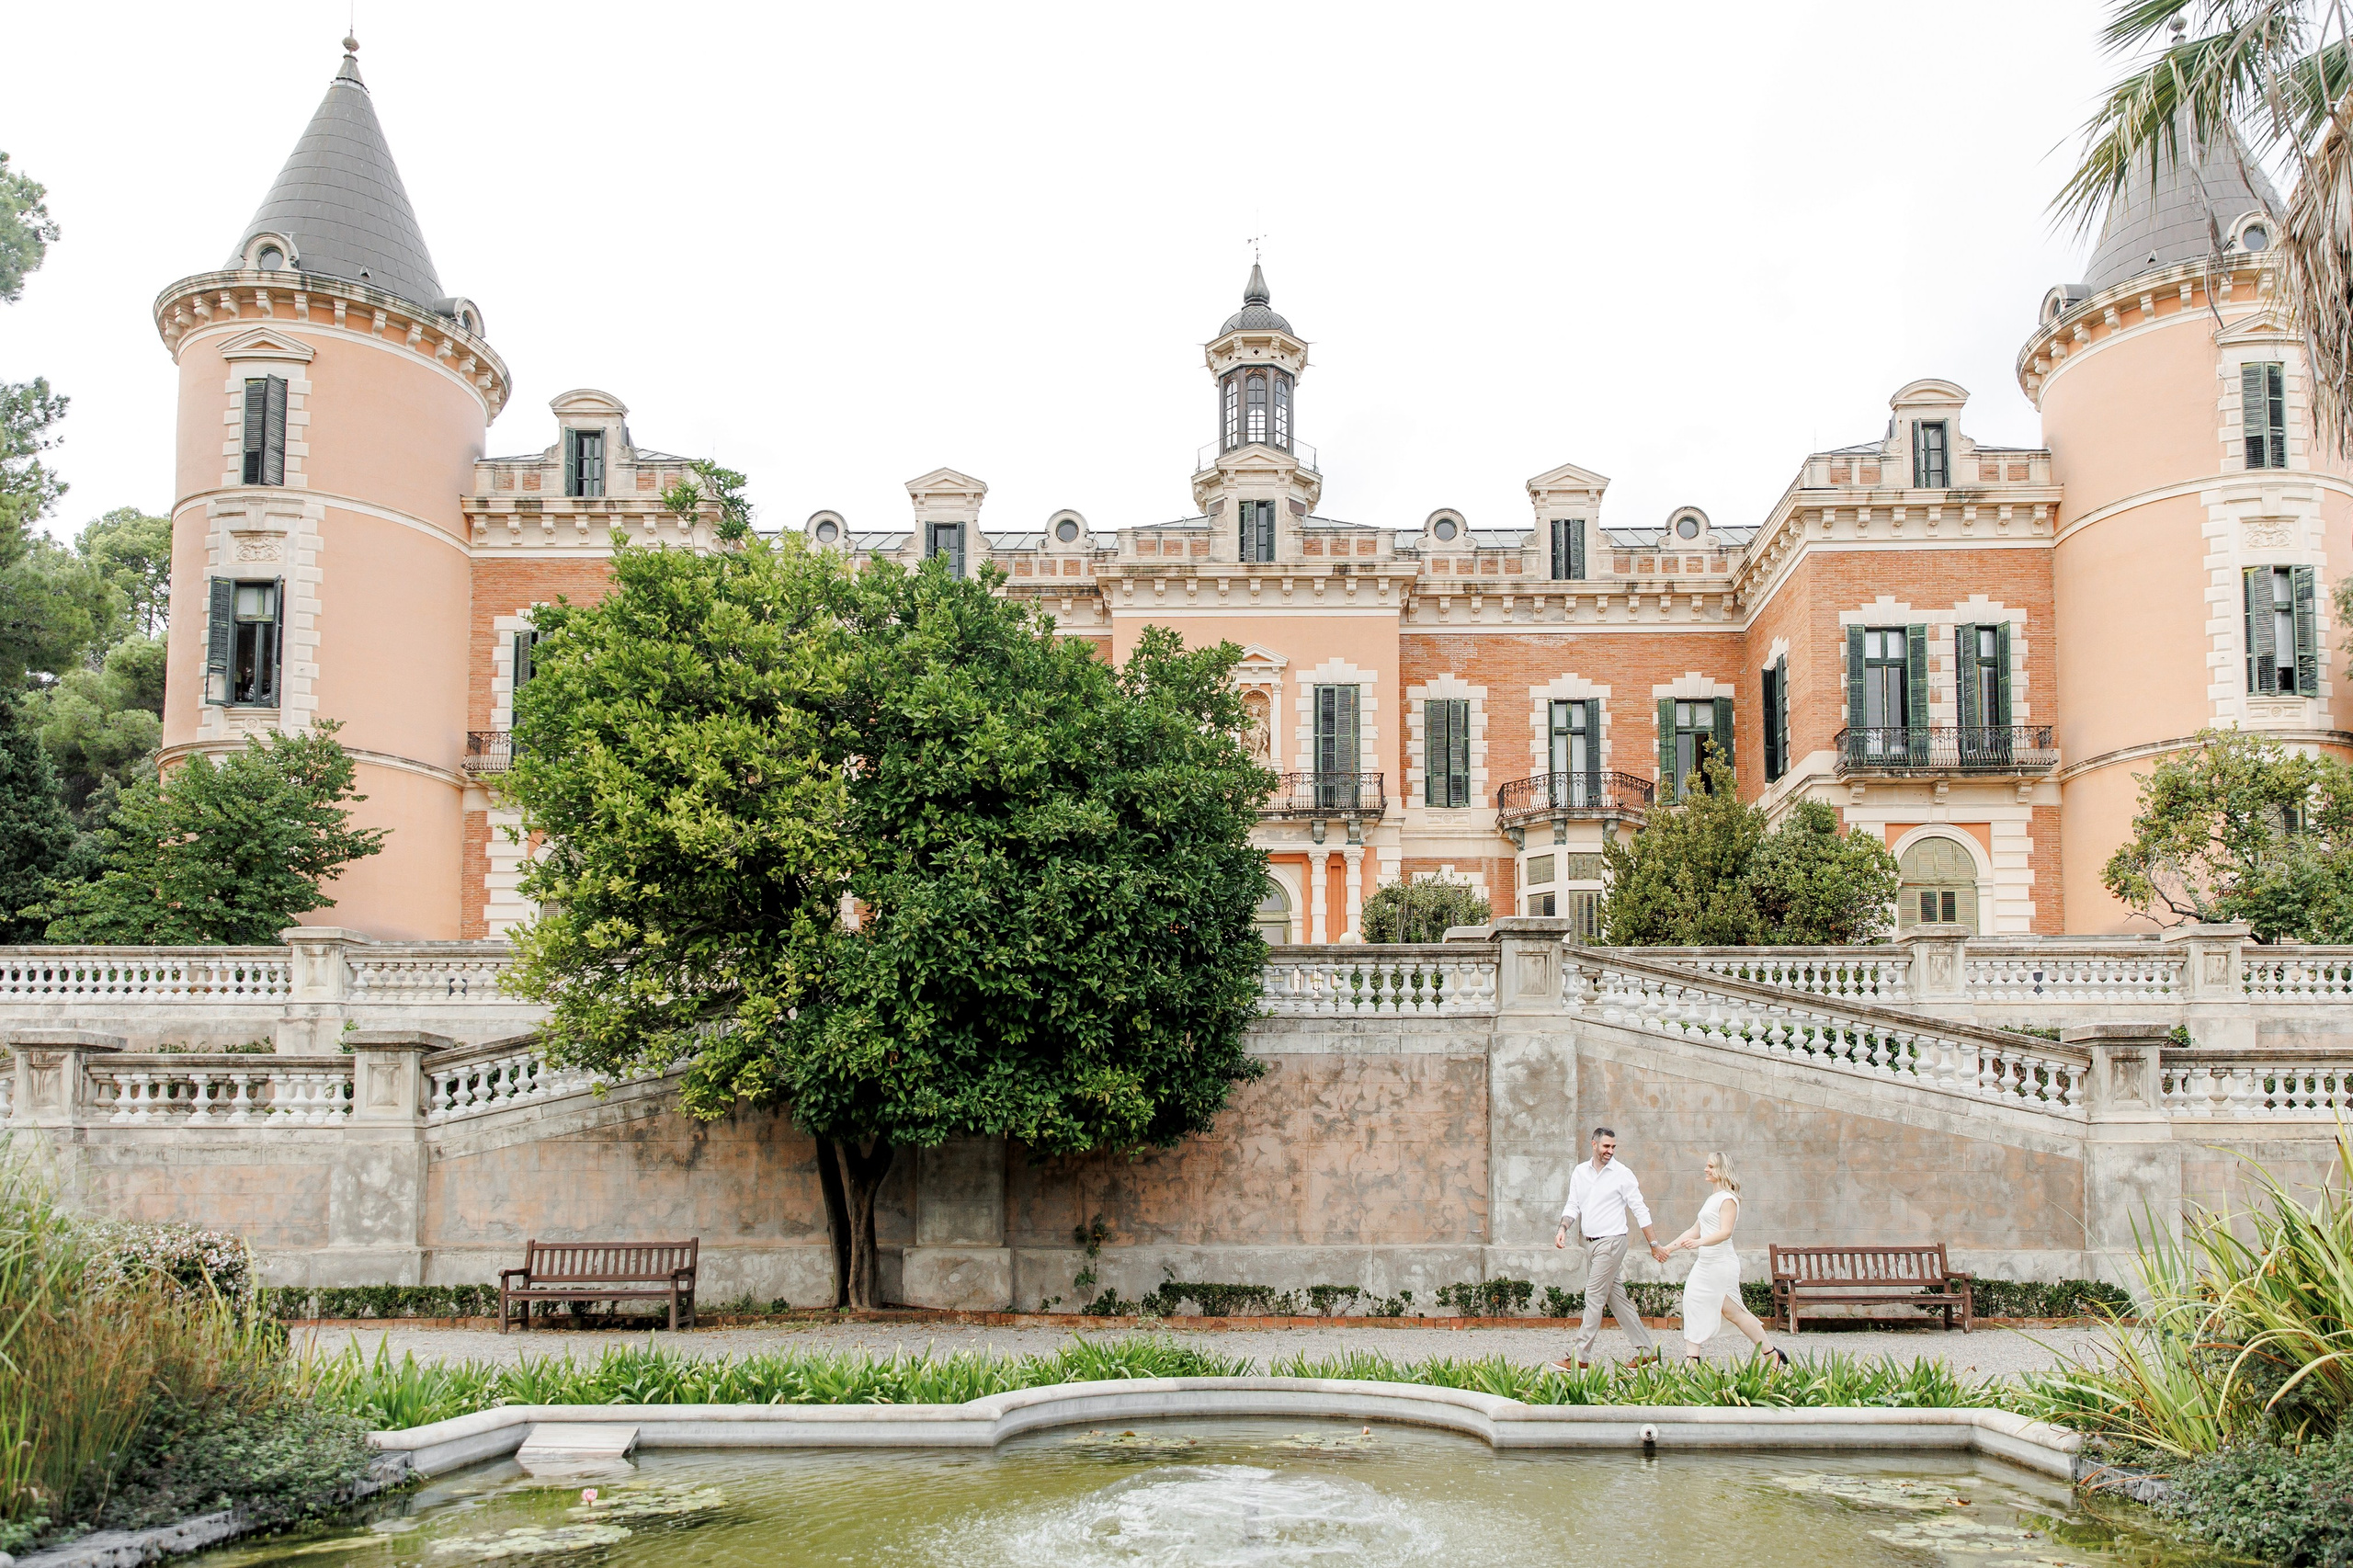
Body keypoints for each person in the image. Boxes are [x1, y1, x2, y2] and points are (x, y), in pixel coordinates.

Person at [1659, 1150, 1790, 1367]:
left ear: (1721, 1170)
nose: (1705, 1169)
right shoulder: (1712, 1199)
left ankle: (1770, 1353)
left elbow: (1725, 1232)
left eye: (1710, 1166)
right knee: (1692, 1302)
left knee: (1734, 1312)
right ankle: (1692, 1360)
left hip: (1721, 1264)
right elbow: (1694, 1229)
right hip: (1705, 1264)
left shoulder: (1729, 1199)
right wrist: (1669, 1248)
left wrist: (1700, 1242)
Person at [1550, 1126, 1664, 1370]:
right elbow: (1573, 1205)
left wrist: (1653, 1244)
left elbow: (1640, 1209)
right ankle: (1646, 1351)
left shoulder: (1623, 1174)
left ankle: (1580, 1357)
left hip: (1612, 1242)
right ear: (1594, 1144)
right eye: (1606, 1146)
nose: (1610, 1151)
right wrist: (1562, 1229)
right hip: (1591, 1243)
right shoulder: (1580, 1172)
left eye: (1613, 1147)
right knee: (1616, 1299)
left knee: (1593, 1296)